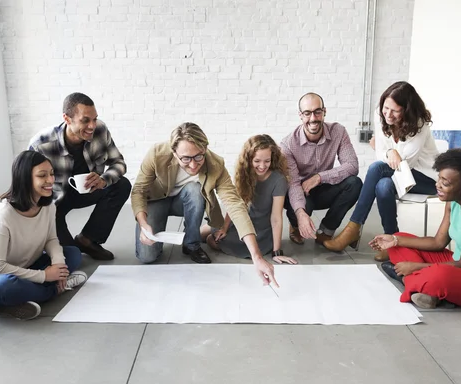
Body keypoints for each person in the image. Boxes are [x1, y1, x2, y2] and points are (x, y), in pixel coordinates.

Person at [131, 122, 278, 286]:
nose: (193, 165)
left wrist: (256, 256)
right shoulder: (157, 154)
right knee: (147, 257)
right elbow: (138, 190)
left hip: (187, 199)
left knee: (196, 190)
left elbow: (235, 205)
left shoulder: (215, 164)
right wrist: (144, 224)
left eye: (198, 156)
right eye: (186, 159)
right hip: (156, 200)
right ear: (174, 152)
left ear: (205, 149)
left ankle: (191, 245)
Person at [370, 148, 461, 309]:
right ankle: (428, 288)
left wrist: (414, 266)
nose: (437, 185)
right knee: (399, 241)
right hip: (457, 265)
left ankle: (407, 279)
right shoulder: (453, 203)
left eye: (445, 183)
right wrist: (395, 240)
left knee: (440, 275)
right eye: (439, 179)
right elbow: (438, 242)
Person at [0, 151, 88, 320]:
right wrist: (44, 276)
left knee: (72, 254)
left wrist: (59, 267)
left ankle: (13, 302)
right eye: (42, 175)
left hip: (21, 268)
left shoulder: (48, 206)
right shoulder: (3, 214)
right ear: (25, 178)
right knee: (5, 286)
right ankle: (54, 290)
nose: (50, 180)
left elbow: (51, 239)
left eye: (52, 174)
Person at [324, 82, 439, 260]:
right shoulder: (382, 114)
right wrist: (388, 151)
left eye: (395, 111)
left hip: (426, 179)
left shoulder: (419, 125)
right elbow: (381, 153)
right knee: (383, 185)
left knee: (377, 169)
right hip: (398, 174)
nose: (388, 114)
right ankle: (393, 241)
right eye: (386, 108)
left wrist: (389, 150)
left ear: (407, 110)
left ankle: (353, 227)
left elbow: (405, 163)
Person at [29, 92, 131, 261]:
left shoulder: (100, 130)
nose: (92, 126)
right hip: (54, 203)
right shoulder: (41, 144)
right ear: (67, 119)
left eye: (95, 119)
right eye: (85, 120)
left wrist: (104, 179)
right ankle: (59, 244)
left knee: (122, 185)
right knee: (71, 258)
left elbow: (119, 163)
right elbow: (29, 185)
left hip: (88, 190)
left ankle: (88, 239)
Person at [281, 92, 362, 248]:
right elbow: (293, 184)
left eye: (317, 112)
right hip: (300, 191)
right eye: (307, 113)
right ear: (300, 115)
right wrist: (301, 214)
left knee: (354, 183)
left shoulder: (338, 131)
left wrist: (319, 177)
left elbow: (352, 165)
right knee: (299, 207)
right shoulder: (287, 145)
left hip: (325, 188)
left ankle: (326, 230)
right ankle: (296, 226)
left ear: (324, 111)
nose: (313, 118)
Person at [202, 135, 297, 264]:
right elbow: (235, 205)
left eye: (267, 161)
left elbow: (276, 218)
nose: (262, 166)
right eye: (257, 161)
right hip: (243, 221)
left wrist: (277, 252)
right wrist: (224, 227)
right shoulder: (245, 174)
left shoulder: (278, 180)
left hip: (260, 231)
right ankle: (189, 238)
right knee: (205, 231)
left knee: (210, 240)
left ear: (272, 158)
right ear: (249, 159)